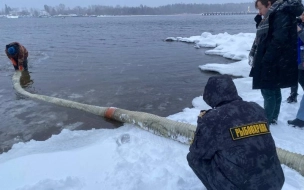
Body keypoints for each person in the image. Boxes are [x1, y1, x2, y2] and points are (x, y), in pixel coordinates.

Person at [187, 75, 284, 190]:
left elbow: (198, 152)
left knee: (193, 158)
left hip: (244, 186)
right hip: (276, 181)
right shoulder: (256, 108)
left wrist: (202, 124)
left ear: (210, 95)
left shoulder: (212, 118)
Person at [248, 0, 304, 125]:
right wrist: (259, 22)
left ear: (268, 4)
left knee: (268, 90)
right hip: (277, 59)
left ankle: (267, 120)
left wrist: (267, 58)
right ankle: (272, 118)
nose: (260, 12)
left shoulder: (279, 14)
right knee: (273, 88)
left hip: (273, 59)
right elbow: (268, 34)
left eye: (260, 8)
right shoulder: (276, 13)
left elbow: (278, 39)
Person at [287, 12, 304, 103]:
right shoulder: (299, 24)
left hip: (302, 57)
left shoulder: (300, 27)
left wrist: (300, 31)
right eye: (302, 15)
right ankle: (293, 95)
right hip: (295, 55)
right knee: (293, 76)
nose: (302, 17)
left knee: (301, 78)